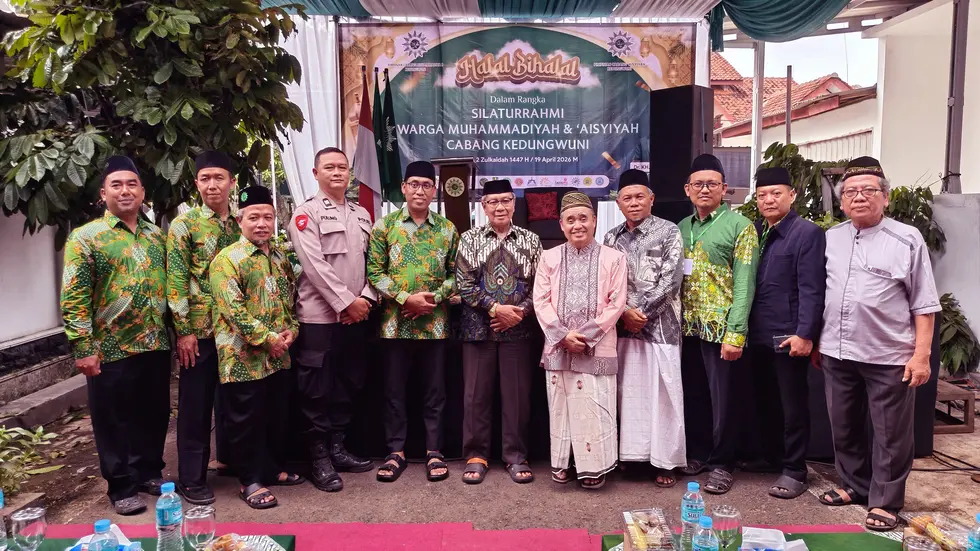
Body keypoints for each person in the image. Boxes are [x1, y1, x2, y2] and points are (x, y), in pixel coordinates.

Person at [817, 157, 940, 531]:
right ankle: (854, 486)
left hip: (888, 354)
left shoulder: (907, 238)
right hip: (837, 352)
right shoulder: (831, 238)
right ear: (841, 201)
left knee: (890, 433)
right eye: (851, 192)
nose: (859, 197)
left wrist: (921, 355)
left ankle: (886, 500)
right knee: (843, 426)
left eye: (869, 190)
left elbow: (924, 302)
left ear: (885, 198)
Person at [60, 155, 170, 515]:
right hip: (109, 348)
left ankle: (149, 471)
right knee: (113, 418)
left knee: (154, 412)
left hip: (154, 342)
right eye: (117, 185)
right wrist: (83, 347)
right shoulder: (86, 237)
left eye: (132, 184)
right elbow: (74, 296)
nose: (125, 191)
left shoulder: (157, 236)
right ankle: (121, 485)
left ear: (143, 192)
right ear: (103, 193)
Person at [210, 185, 305, 510]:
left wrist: (291, 331)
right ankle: (249, 480)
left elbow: (290, 302)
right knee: (245, 420)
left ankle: (272, 469)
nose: (261, 223)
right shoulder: (226, 260)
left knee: (274, 416)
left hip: (278, 357)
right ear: (240, 220)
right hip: (242, 358)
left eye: (267, 217)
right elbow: (232, 310)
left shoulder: (280, 258)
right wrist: (269, 340)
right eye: (254, 217)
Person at [287, 147, 376, 492]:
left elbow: (374, 263)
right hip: (320, 319)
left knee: (348, 383)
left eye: (343, 167)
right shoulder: (306, 214)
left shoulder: (361, 213)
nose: (337, 172)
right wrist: (345, 303)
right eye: (330, 167)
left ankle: (338, 447)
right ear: (315, 172)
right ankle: (318, 457)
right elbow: (314, 266)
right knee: (316, 390)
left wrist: (365, 299)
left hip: (356, 315)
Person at [367, 161, 460, 483]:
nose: (420, 190)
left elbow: (455, 275)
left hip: (434, 325)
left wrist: (432, 299)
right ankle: (396, 452)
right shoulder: (385, 227)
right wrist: (407, 299)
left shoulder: (447, 229)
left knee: (435, 392)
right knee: (394, 391)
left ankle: (435, 451)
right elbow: (375, 272)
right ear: (404, 188)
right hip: (395, 324)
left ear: (434, 191)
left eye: (426, 185)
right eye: (414, 184)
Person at [533, 191, 628, 490]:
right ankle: (562, 463)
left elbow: (617, 303)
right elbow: (540, 300)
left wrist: (585, 337)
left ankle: (593, 467)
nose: (577, 225)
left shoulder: (614, 258)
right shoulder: (548, 258)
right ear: (561, 224)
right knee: (561, 407)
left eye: (583, 219)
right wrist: (562, 336)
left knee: (594, 406)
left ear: (595, 221)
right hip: (558, 347)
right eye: (570, 220)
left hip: (597, 346)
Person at [677, 154, 759, 495]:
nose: (705, 189)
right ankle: (698, 454)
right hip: (687, 329)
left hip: (721, 330)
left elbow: (745, 284)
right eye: (698, 184)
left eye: (712, 183)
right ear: (687, 189)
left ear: (724, 188)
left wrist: (735, 333)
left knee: (723, 400)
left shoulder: (741, 227)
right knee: (693, 396)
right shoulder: (681, 228)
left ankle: (723, 463)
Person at [745, 167, 826, 500]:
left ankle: (795, 469)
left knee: (793, 405)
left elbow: (812, 288)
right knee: (765, 401)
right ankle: (771, 457)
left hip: (788, 335)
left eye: (775, 193)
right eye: (762, 194)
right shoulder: (757, 232)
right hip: (758, 334)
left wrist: (806, 334)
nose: (768, 199)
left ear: (792, 195)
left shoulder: (806, 234)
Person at [456, 179, 542, 485]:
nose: (500, 207)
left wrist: (518, 314)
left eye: (506, 200)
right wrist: (496, 309)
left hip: (518, 330)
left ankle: (516, 456)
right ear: (483, 206)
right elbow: (464, 285)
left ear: (514, 204)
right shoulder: (469, 239)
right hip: (478, 330)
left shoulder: (531, 241)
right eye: (493, 202)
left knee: (517, 397)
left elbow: (541, 287)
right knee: (475, 396)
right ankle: (476, 455)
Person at [603, 169, 686, 488]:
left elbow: (672, 280)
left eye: (640, 196)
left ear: (651, 199)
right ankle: (631, 456)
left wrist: (643, 313)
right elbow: (606, 283)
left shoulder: (668, 232)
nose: (634, 203)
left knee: (662, 394)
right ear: (618, 202)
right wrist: (624, 313)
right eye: (627, 198)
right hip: (622, 329)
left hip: (661, 328)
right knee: (628, 393)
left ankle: (665, 461)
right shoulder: (611, 238)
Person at [168, 151, 241, 506]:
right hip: (200, 333)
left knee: (234, 402)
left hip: (237, 331)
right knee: (196, 407)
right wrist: (183, 330)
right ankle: (192, 478)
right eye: (205, 178)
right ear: (196, 184)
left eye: (219, 177)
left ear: (231, 182)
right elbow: (177, 279)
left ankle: (230, 461)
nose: (213, 184)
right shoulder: (186, 225)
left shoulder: (241, 223)